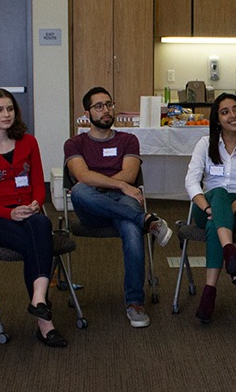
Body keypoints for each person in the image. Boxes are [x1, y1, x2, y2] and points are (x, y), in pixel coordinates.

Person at [66, 86, 175, 329]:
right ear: (87, 113)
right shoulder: (74, 143)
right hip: (92, 210)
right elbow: (82, 176)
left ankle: (135, 303)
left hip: (123, 202)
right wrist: (119, 186)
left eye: (109, 104)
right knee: (82, 190)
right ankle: (148, 220)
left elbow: (130, 173)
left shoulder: (128, 140)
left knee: (131, 228)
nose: (105, 110)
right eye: (99, 106)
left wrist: (116, 185)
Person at [0, 88, 64, 348]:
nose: (6, 114)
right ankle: (44, 318)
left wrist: (35, 203)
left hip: (28, 214)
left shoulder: (29, 142)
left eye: (10, 109)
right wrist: (8, 212)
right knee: (39, 239)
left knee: (40, 224)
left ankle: (39, 304)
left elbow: (38, 183)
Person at [182, 92, 236, 324]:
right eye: (225, 111)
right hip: (206, 203)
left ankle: (209, 291)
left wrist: (230, 208)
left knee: (215, 223)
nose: (233, 115)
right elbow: (191, 181)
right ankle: (229, 251)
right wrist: (209, 208)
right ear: (216, 119)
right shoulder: (205, 144)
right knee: (218, 194)